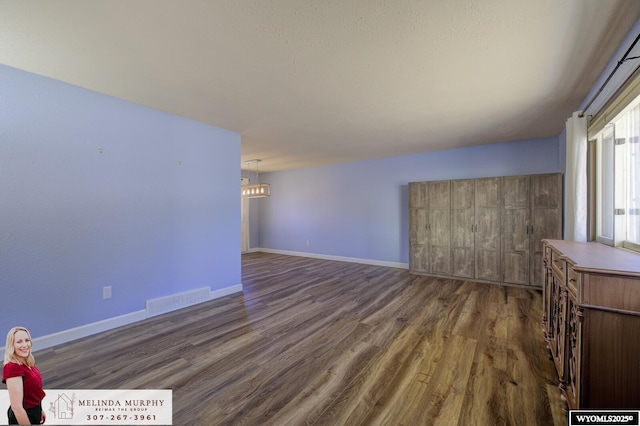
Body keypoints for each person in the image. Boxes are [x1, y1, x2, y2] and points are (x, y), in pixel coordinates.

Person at [2, 327, 45, 425]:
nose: (25, 345)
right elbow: (17, 408)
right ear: (11, 345)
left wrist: (39, 410)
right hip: (23, 416)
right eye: (19, 342)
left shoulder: (25, 362)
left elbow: (32, 393)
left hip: (34, 411)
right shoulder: (12, 368)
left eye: (27, 340)